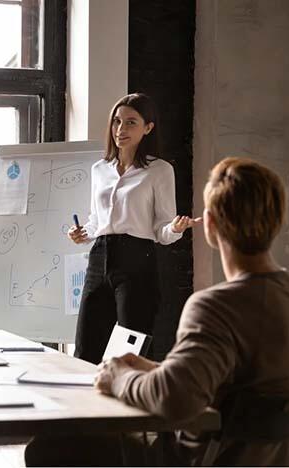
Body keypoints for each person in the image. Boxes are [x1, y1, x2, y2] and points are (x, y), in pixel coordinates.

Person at [27, 157, 289, 466]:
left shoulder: (216, 307)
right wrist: (151, 369)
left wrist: (119, 377)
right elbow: (225, 385)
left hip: (198, 462)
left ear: (211, 226)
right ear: (279, 220)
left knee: (51, 447)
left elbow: (174, 399)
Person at [69, 93, 200, 364]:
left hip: (137, 259)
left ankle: (133, 405)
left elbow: (162, 230)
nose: (121, 129)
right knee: (86, 348)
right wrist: (83, 233)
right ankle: (85, 406)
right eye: (117, 121)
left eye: (130, 122)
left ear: (148, 128)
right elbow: (97, 219)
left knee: (132, 349)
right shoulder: (99, 169)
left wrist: (175, 228)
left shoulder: (159, 170)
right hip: (99, 257)